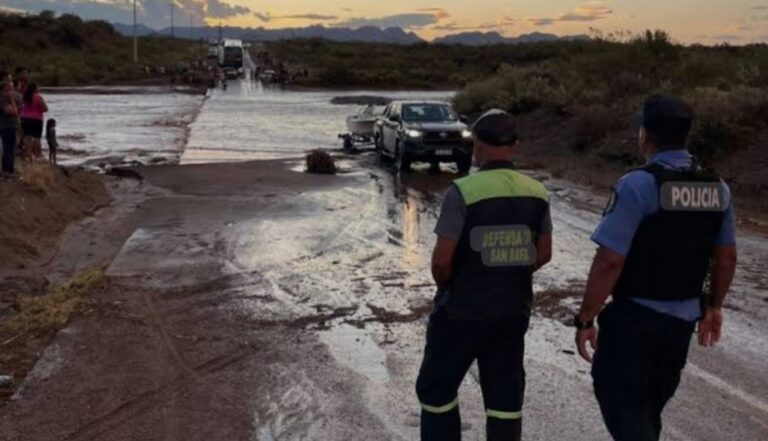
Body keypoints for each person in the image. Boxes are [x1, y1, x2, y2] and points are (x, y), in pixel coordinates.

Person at [574, 94, 738, 441]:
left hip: (635, 318)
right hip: (680, 323)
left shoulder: (637, 185)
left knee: (621, 402)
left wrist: (586, 318)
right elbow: (725, 257)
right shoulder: (717, 187)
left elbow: (609, 261)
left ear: (645, 135)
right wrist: (715, 306)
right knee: (649, 408)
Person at [416, 109, 553, 441]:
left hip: (461, 311)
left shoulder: (463, 191)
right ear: (515, 145)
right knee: (504, 399)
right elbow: (544, 254)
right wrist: (508, 269)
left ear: (476, 145)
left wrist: (455, 284)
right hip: (511, 312)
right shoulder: (537, 192)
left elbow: (441, 262)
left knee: (436, 391)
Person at [20, 82, 48, 160]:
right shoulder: (38, 97)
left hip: (24, 118)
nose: (39, 89)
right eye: (38, 87)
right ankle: (38, 155)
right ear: (35, 89)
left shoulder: (25, 97)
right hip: (36, 119)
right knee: (37, 137)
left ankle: (28, 153)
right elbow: (45, 109)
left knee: (27, 136)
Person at [0, 71, 20, 174]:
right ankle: (7, 170)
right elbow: (13, 112)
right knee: (9, 149)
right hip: (7, 126)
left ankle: (8, 169)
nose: (12, 88)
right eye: (10, 86)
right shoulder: (3, 99)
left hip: (10, 126)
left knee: (10, 149)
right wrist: (12, 101)